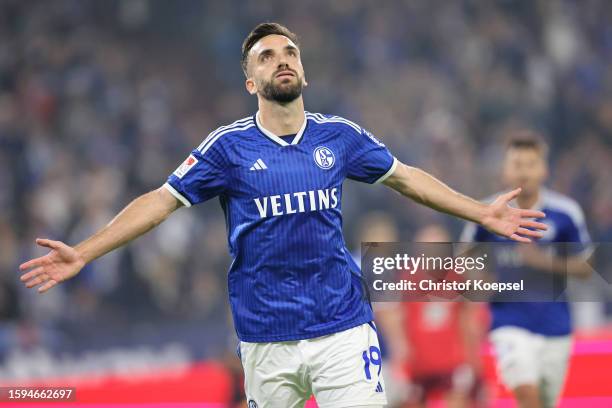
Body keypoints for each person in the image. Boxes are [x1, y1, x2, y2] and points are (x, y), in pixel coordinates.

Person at [19, 23, 547, 408]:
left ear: (304, 70)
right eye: (267, 56)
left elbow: (407, 177)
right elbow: (160, 201)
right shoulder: (227, 148)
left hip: (342, 328)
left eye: (289, 51)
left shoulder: (337, 136)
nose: (282, 59)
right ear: (251, 82)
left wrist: (482, 211)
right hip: (265, 339)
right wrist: (85, 250)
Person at [461, 131, 593, 408]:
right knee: (527, 393)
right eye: (517, 164)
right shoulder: (486, 211)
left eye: (530, 164)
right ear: (505, 170)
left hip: (555, 324)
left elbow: (587, 267)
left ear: (543, 169)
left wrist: (542, 261)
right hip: (508, 321)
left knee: (544, 402)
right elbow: (462, 257)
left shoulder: (565, 212)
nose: (524, 172)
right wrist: (479, 280)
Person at [374, 224, 488, 408]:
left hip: (453, 361)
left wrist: (473, 358)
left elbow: (473, 316)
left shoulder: (458, 276)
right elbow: (388, 311)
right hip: (418, 361)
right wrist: (399, 347)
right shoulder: (407, 277)